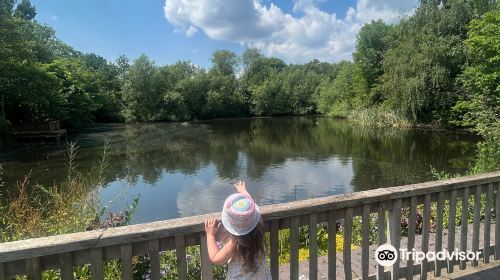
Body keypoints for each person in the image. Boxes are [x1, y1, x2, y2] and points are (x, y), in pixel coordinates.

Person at [204, 180, 271, 279]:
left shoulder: (234, 244)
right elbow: (249, 210)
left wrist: (210, 235)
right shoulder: (258, 230)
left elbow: (215, 258)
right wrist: (243, 191)